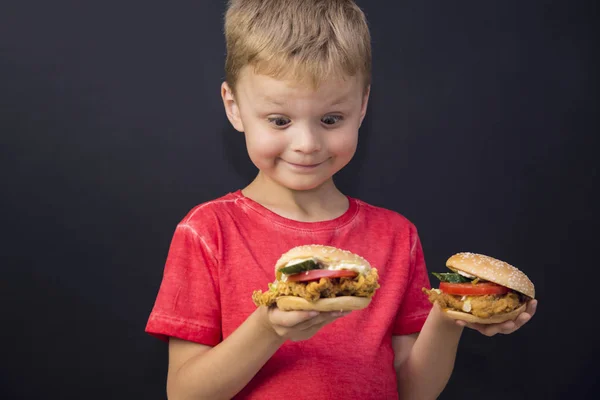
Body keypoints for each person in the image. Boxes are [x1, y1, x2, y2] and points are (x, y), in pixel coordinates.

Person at [145, 0, 538, 399]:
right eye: (279, 120)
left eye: (331, 120)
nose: (307, 145)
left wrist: (454, 312)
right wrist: (269, 327)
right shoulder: (208, 231)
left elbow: (413, 391)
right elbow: (185, 394)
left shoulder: (396, 236)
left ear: (362, 106)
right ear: (234, 107)